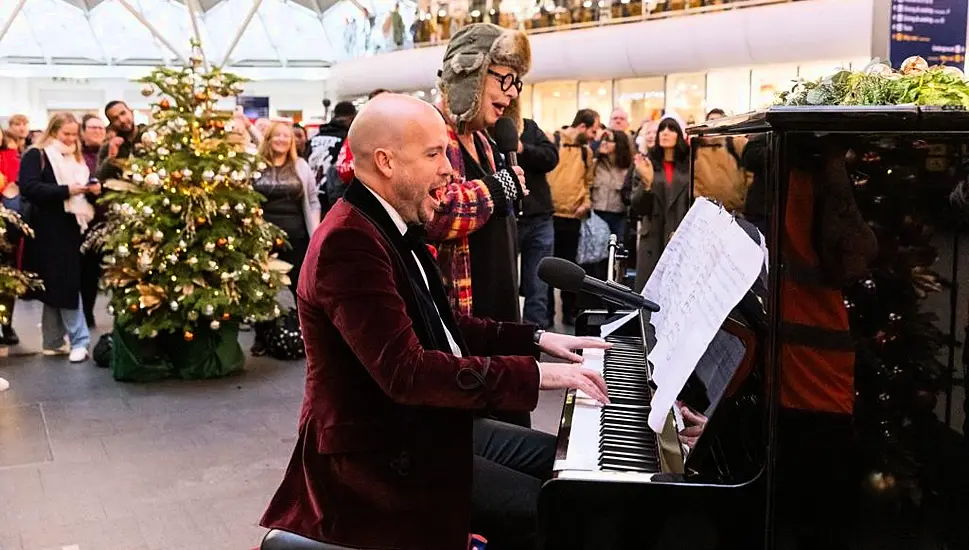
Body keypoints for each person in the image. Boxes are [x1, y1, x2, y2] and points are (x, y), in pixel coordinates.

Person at [260, 94, 610, 550]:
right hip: (377, 459)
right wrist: (541, 376)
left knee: (580, 476)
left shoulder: (390, 224)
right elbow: (408, 373)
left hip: (422, 429)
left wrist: (542, 339)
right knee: (557, 509)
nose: (449, 169)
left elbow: (448, 326)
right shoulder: (348, 243)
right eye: (433, 154)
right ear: (385, 162)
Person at [19, 113, 99, 363]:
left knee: (56, 283)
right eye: (66, 134)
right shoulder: (38, 154)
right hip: (47, 228)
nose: (71, 139)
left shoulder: (75, 158)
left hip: (72, 226)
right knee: (65, 283)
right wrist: (66, 191)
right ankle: (80, 340)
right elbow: (29, 187)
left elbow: (82, 189)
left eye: (74, 135)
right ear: (53, 132)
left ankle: (52, 340)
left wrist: (93, 189)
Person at [250, 122, 321, 356]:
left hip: (296, 236)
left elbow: (312, 200)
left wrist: (316, 231)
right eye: (276, 135)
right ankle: (261, 336)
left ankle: (309, 335)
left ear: (292, 141)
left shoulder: (300, 166)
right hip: (263, 239)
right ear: (268, 139)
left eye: (286, 136)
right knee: (262, 288)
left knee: (301, 288)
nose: (281, 139)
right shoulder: (256, 166)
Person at [631, 116, 690, 291]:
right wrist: (647, 184)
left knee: (676, 290)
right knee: (649, 291)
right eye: (662, 129)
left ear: (679, 135)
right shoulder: (647, 164)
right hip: (653, 237)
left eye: (671, 129)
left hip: (679, 233)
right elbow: (637, 206)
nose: (665, 132)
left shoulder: (690, 165)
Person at [516, 118, 559, 328]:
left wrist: (523, 148)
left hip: (539, 217)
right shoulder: (484, 131)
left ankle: (535, 340)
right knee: (503, 283)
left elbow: (551, 157)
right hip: (506, 219)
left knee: (538, 285)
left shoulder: (528, 127)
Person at [96, 100, 138, 182]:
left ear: (131, 112)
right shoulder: (108, 146)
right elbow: (100, 178)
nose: (122, 120)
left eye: (123, 113)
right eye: (115, 118)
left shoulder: (150, 134)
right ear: (111, 123)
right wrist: (111, 157)